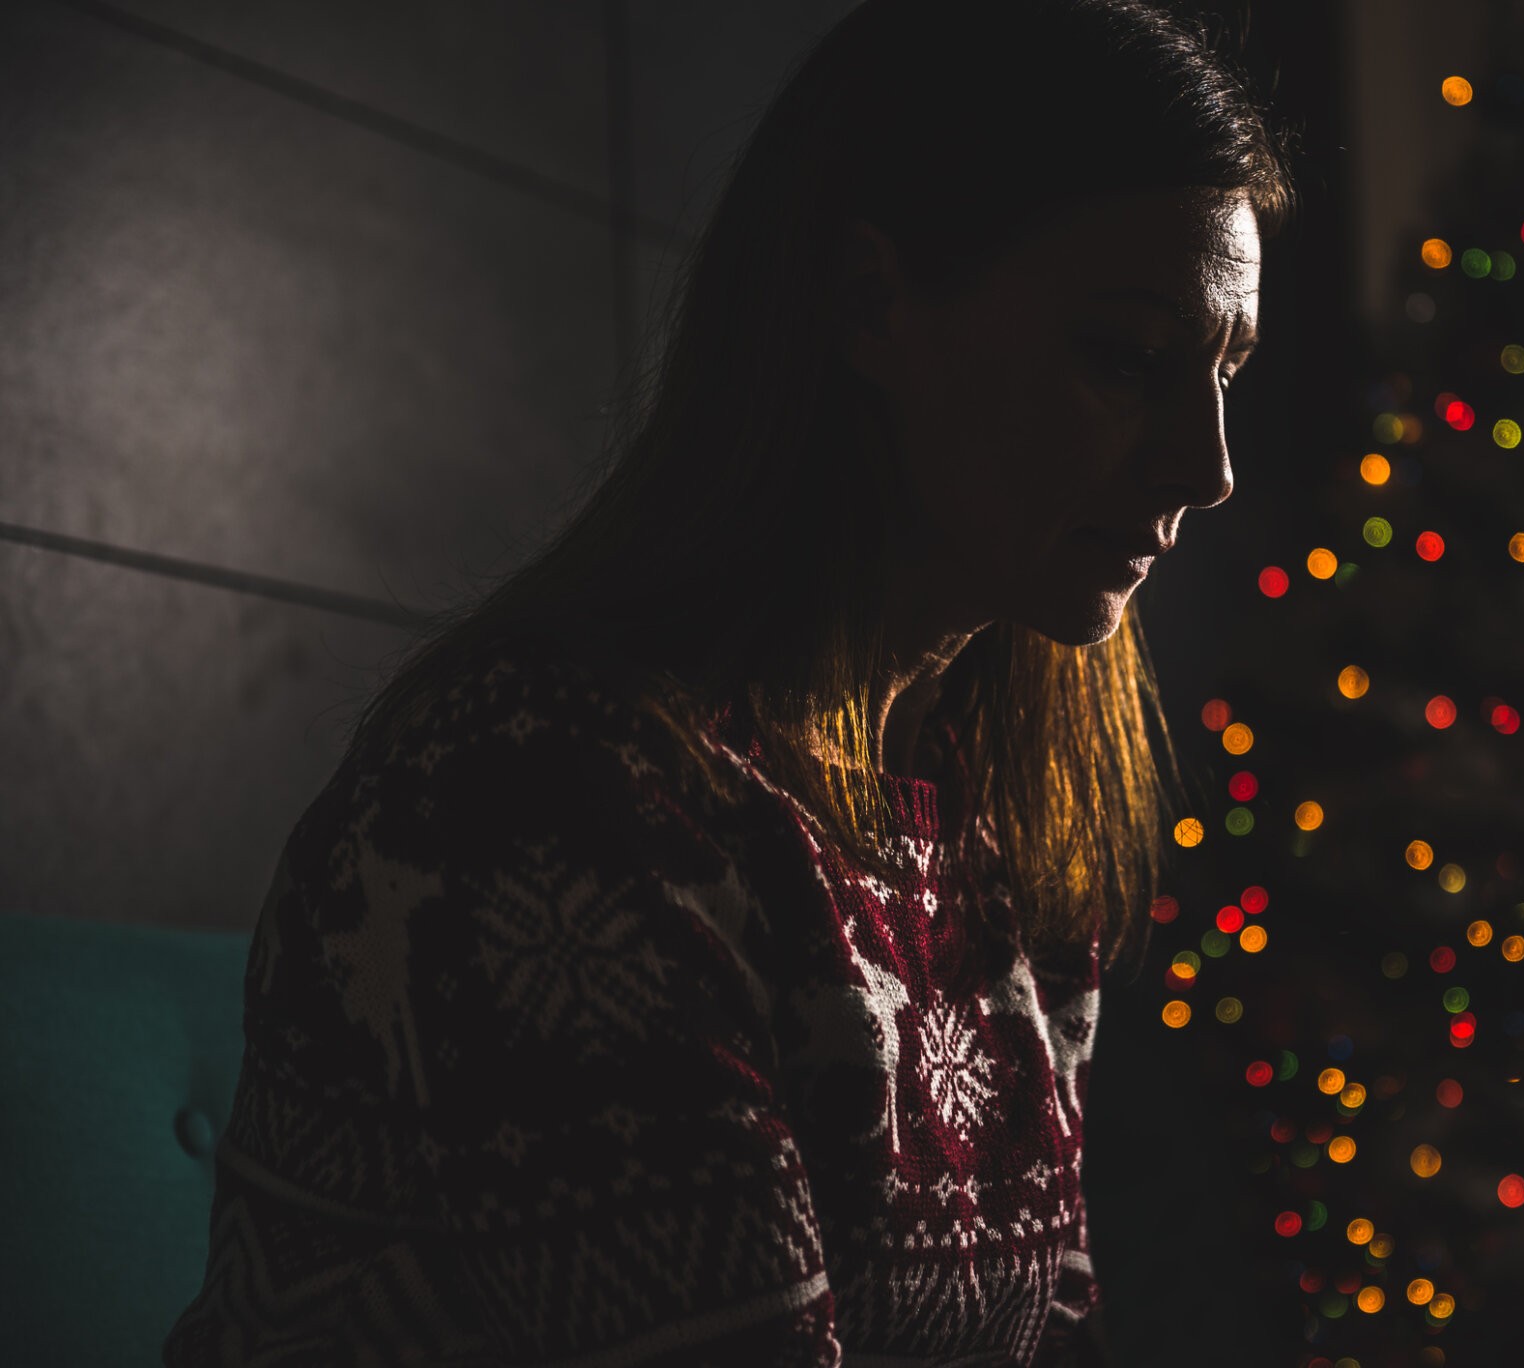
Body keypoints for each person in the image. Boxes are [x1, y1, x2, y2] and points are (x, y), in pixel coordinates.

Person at [161, 0, 1294, 1362]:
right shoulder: (545, 806)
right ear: (873, 304)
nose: (1209, 464)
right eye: (1128, 357)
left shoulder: (984, 813)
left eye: (1226, 370)